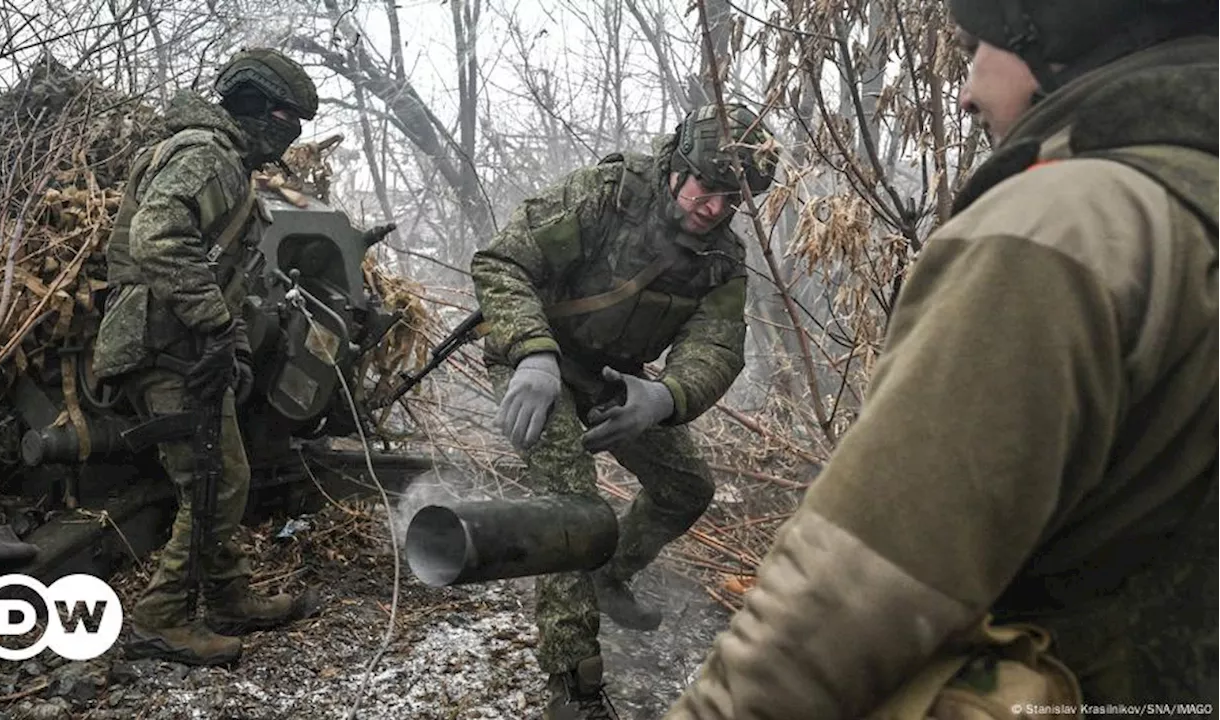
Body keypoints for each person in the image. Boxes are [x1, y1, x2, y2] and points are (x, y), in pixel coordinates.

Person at [663, 1, 1220, 717]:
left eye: (972, 50)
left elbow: (859, 587)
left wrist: (671, 395)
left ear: (1050, 36)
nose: (963, 92)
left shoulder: (1065, 222)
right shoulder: (1192, 200)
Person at [470, 103, 778, 718]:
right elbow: (503, 262)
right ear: (676, 165)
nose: (711, 206)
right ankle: (573, 682)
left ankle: (609, 576)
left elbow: (715, 346)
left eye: (729, 198)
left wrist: (664, 397)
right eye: (703, 186)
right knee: (572, 505)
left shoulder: (722, 259)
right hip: (542, 360)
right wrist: (531, 355)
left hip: (617, 380)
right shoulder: (609, 194)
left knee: (686, 487)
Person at [92, 48, 319, 666]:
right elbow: (158, 237)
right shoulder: (205, 156)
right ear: (256, 110)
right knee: (214, 482)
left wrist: (233, 345)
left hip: (182, 339)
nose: (291, 135)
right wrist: (218, 329)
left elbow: (230, 279)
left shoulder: (229, 167)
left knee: (221, 473)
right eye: (286, 119)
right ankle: (160, 618)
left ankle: (226, 597)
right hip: (162, 341)